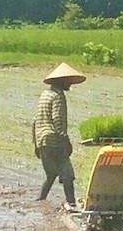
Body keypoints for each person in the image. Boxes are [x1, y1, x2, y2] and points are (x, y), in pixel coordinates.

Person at [32, 62, 86, 209]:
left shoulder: (44, 95)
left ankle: (40, 200)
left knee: (51, 174)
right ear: (60, 81)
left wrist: (36, 144)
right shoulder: (58, 96)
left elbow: (36, 121)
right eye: (68, 81)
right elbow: (58, 120)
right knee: (67, 173)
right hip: (53, 139)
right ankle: (72, 203)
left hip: (42, 139)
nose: (70, 84)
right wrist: (65, 140)